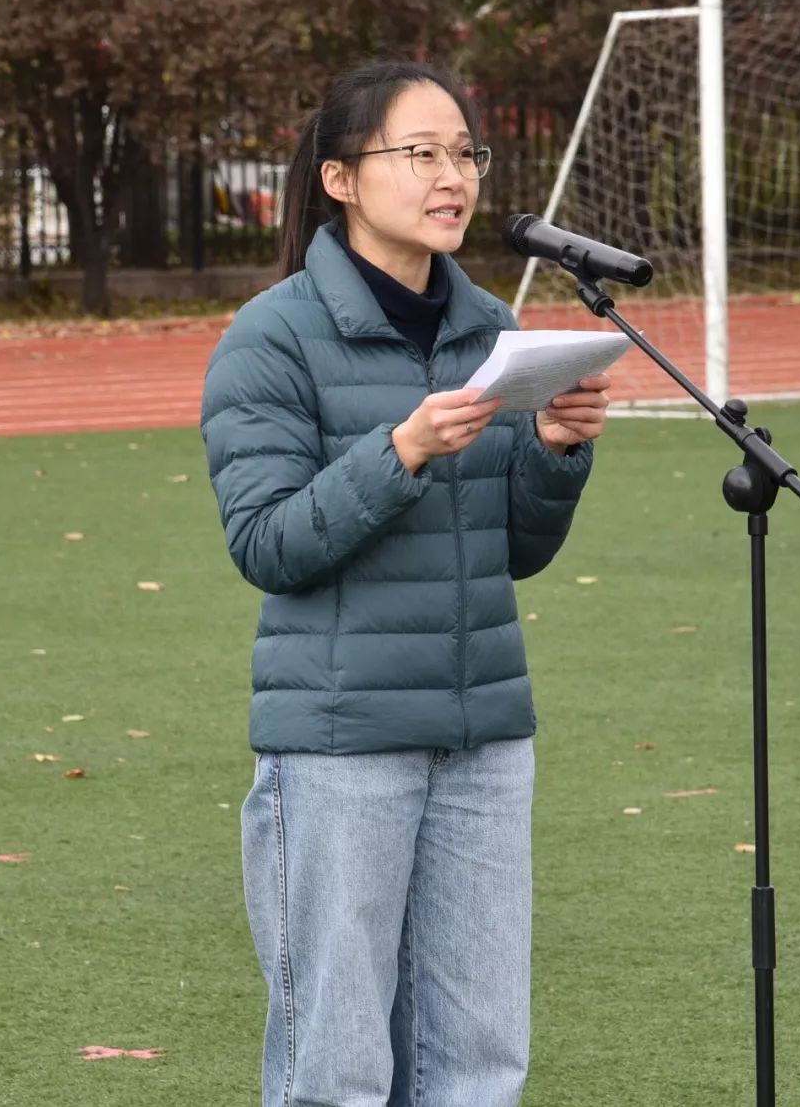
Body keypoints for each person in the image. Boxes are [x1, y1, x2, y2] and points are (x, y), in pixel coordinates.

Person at [200, 61, 610, 1107]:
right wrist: (402, 452)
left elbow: (512, 550)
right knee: (336, 1068)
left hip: (483, 740)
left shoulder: (488, 333)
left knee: (476, 1065)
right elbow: (268, 544)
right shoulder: (272, 336)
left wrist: (556, 451)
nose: (452, 176)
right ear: (340, 178)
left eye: (464, 153)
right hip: (341, 747)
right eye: (418, 153)